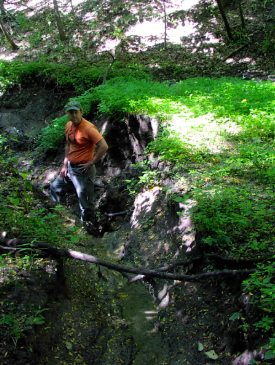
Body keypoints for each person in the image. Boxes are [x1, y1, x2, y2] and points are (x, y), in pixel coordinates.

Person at [50, 101, 108, 223]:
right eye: (71, 113)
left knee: (86, 203)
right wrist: (65, 165)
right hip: (70, 167)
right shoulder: (68, 126)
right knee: (55, 187)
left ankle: (88, 229)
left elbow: (103, 146)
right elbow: (68, 146)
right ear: (67, 114)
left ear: (81, 112)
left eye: (76, 112)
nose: (74, 115)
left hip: (83, 170)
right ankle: (60, 218)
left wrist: (91, 163)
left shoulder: (89, 128)